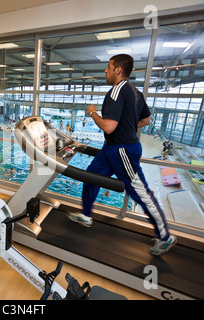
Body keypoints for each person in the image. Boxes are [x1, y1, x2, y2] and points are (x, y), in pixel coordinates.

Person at [67, 54, 177, 256]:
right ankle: (86, 215)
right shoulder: (135, 92)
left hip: (122, 151)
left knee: (140, 192)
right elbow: (145, 120)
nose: (105, 71)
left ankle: (165, 236)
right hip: (111, 149)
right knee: (91, 178)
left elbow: (108, 127)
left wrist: (92, 112)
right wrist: (126, 126)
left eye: (108, 67)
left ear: (118, 70)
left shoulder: (115, 92)